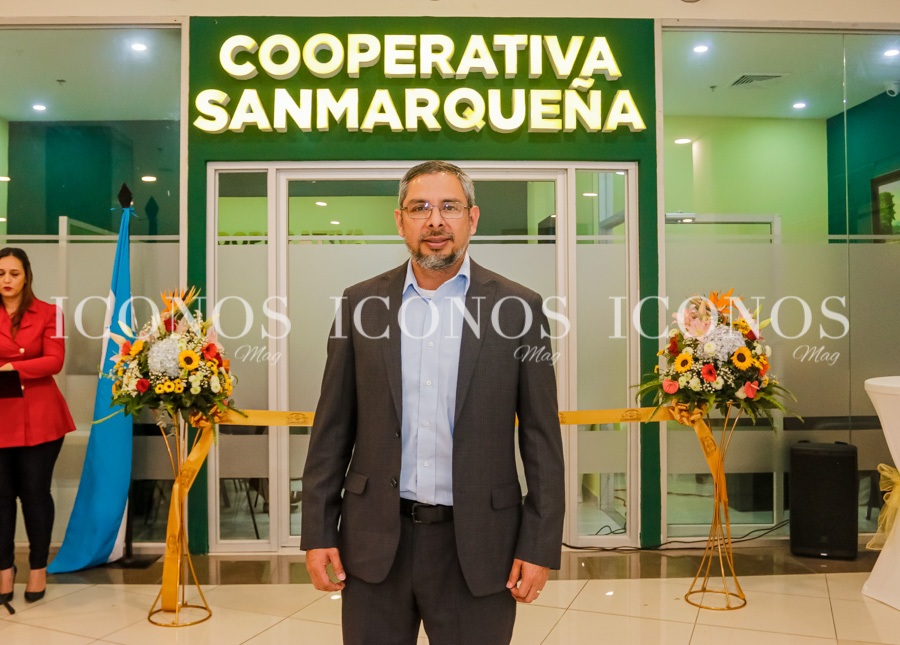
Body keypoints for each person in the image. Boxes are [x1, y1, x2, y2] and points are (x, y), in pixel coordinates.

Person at [301, 161, 565, 644]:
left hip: (482, 548)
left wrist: (541, 543)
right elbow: (332, 429)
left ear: (473, 218)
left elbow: (542, 438)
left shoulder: (519, 307)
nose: (435, 221)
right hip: (376, 542)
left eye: (450, 207)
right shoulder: (361, 304)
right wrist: (318, 531)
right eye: (420, 208)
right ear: (399, 221)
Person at [0, 247, 75, 607]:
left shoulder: (50, 313)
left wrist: (13, 368)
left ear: (26, 275)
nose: (7, 280)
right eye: (0, 273)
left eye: (13, 273)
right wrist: (28, 361)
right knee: (0, 500)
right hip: (1, 417)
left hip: (42, 418)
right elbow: (39, 358)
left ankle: (37, 569)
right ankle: (4, 570)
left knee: (34, 495)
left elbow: (55, 361)